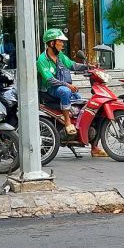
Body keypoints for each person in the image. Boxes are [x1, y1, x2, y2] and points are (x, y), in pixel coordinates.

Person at [37, 28, 107, 157]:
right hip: (50, 91)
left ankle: (94, 147)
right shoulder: (42, 60)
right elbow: (50, 80)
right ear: (52, 43)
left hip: (66, 89)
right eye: (60, 42)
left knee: (88, 109)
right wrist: (68, 85)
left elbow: (73, 65)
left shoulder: (60, 56)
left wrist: (88, 66)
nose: (63, 44)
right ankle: (68, 122)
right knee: (64, 91)